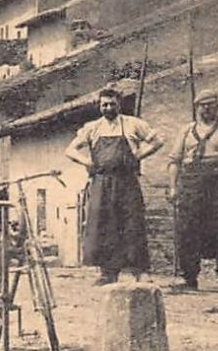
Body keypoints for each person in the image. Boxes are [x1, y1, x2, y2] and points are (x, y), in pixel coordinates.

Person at [64, 88, 164, 284]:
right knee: (104, 225)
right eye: (104, 104)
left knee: (132, 223)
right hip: (102, 182)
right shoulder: (92, 128)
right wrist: (87, 163)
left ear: (119, 104)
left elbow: (158, 141)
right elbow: (70, 150)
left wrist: (138, 155)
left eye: (112, 104)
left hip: (127, 181)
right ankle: (108, 273)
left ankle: (139, 271)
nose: (108, 107)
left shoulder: (133, 124)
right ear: (99, 106)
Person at [167, 90, 218, 292]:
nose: (206, 108)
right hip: (190, 185)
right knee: (186, 231)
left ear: (217, 106)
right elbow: (174, 161)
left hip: (217, 185)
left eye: (211, 104)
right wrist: (173, 187)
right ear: (196, 107)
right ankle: (188, 278)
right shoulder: (186, 131)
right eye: (202, 105)